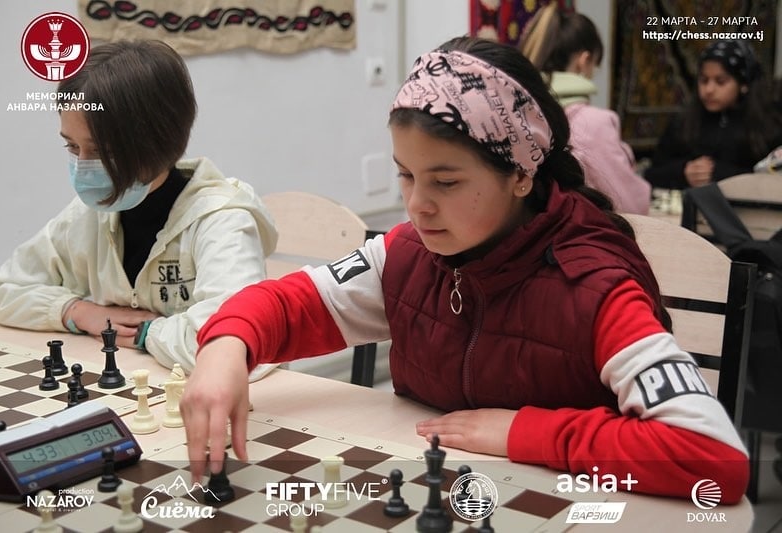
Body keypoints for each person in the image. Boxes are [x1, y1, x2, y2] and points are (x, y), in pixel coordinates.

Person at [180, 36, 749, 502]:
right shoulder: (409, 254)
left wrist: (525, 431)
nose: (416, 206)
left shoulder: (596, 289)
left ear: (520, 175)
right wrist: (226, 345)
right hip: (444, 493)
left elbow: (713, 459)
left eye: (446, 182)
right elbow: (288, 304)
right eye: (406, 175)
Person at [0, 40, 277, 379]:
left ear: (157, 141)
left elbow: (234, 345)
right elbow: (1, 290)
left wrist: (146, 332)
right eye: (72, 146)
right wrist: (77, 311)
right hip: (140, 382)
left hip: (228, 398)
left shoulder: (223, 220)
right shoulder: (90, 214)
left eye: (101, 151)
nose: (82, 166)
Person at [518, 3, 651, 214]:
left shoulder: (516, 110)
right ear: (584, 61)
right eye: (595, 66)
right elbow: (630, 204)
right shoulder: (592, 123)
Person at [645, 39, 782, 189]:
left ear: (743, 84)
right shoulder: (683, 122)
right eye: (704, 80)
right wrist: (684, 171)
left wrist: (720, 174)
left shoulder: (768, 125)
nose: (709, 90)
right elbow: (652, 174)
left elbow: (773, 178)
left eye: (720, 81)